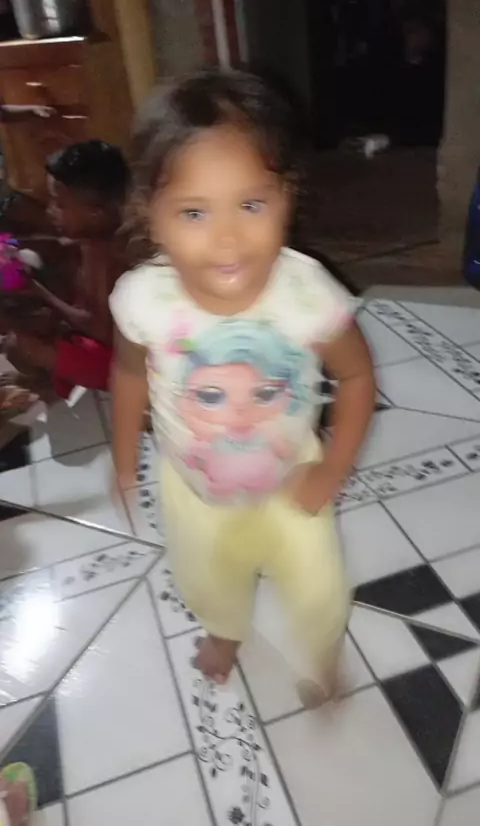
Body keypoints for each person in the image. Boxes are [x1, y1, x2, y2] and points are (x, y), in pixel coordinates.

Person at [110, 69, 375, 703]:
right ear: (151, 215)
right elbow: (127, 374)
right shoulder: (144, 301)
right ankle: (225, 631)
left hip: (293, 481)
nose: (227, 239)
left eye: (251, 205)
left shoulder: (307, 296)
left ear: (287, 197)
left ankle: (321, 654)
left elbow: (357, 374)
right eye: (194, 212)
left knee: (317, 586)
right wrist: (122, 461)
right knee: (207, 581)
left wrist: (333, 467)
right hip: (193, 490)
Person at [3, 139, 130, 401]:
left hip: (124, 364)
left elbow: (99, 329)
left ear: (95, 213)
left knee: (23, 346)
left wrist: (40, 292)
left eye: (59, 204)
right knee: (27, 323)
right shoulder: (96, 234)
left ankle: (56, 383)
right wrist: (13, 245)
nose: (50, 211)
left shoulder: (108, 255)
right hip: (102, 338)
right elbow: (58, 244)